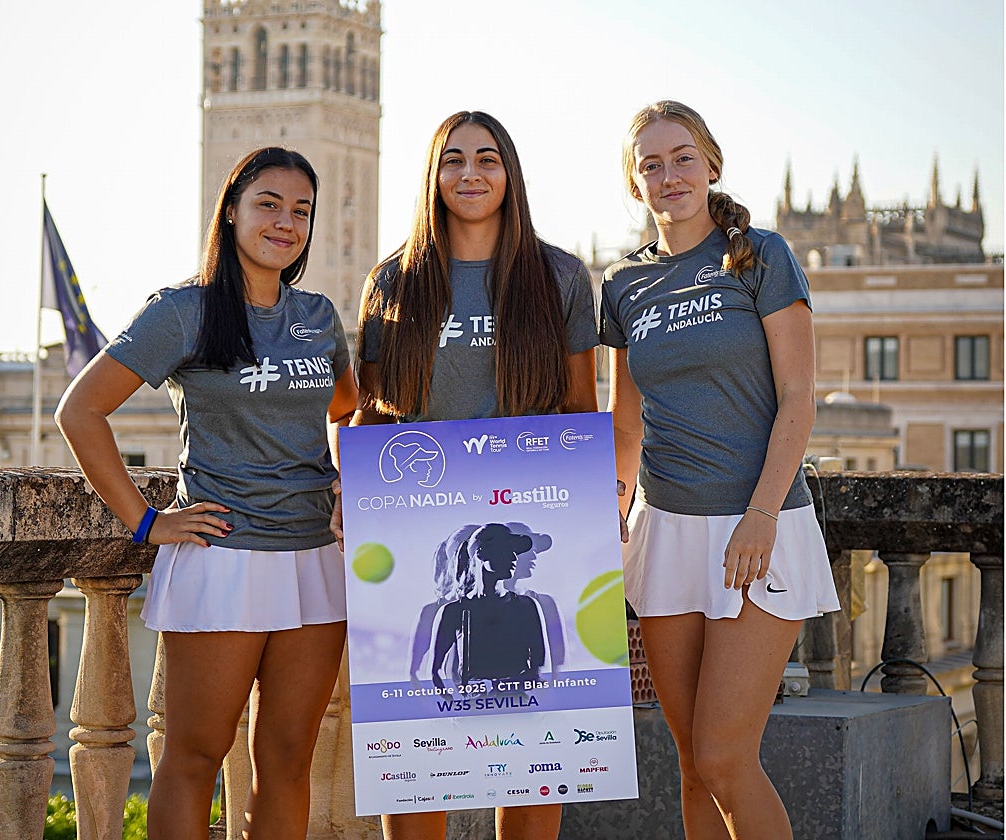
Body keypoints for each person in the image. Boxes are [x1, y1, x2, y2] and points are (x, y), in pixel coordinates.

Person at [54, 146, 358, 840]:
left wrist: (348, 481)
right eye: (268, 205)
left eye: (301, 211)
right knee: (194, 757)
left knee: (286, 760)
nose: (286, 222)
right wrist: (145, 521)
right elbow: (80, 411)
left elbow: (348, 410)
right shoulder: (183, 310)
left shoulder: (316, 315)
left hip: (315, 559)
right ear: (230, 212)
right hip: (223, 558)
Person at [334, 110, 599, 840]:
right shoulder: (393, 281)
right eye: (453, 160)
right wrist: (346, 490)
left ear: (509, 173)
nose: (470, 173)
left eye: (486, 158)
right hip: (418, 527)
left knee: (535, 749)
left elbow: (580, 411)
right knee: (417, 750)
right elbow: (376, 416)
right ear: (434, 176)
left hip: (529, 522)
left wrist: (595, 510)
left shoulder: (560, 276)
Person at [600, 101, 840, 839]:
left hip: (759, 528)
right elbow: (625, 423)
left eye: (681, 158)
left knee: (726, 755)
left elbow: (798, 398)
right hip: (665, 533)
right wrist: (608, 517)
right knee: (693, 765)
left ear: (710, 164)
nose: (667, 175)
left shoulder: (762, 256)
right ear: (633, 183)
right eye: (650, 164)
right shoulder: (622, 284)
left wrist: (760, 517)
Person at [430, 523, 545, 692]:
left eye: (515, 552)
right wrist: (455, 704)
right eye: (505, 551)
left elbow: (539, 667)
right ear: (481, 554)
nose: (514, 558)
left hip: (518, 710)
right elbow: (436, 671)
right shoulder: (453, 612)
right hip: (473, 714)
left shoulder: (526, 607)